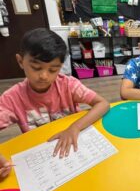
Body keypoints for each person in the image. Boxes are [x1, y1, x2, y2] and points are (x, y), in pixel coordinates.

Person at [0, 28, 110, 158]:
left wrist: (74, 128)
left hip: (72, 148)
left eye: (53, 70)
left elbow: (103, 104)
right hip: (39, 154)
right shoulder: (11, 98)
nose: (44, 76)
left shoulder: (68, 85)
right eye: (36, 68)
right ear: (20, 61)